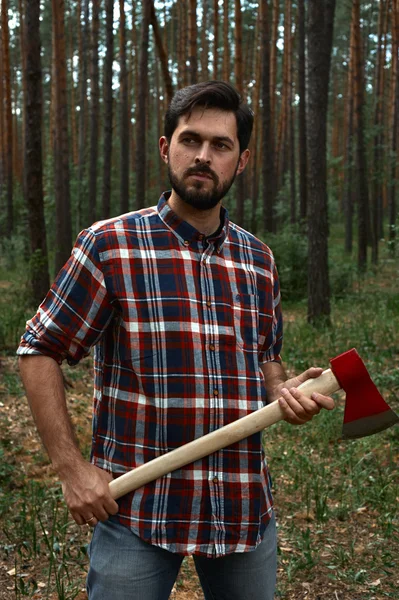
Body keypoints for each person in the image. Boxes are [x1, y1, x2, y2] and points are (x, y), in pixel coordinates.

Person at [18, 81, 334, 600]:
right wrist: (73, 470)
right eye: (191, 140)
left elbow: (266, 357)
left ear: (243, 160)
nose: (203, 157)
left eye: (221, 145)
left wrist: (282, 391)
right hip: (138, 508)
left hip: (241, 506)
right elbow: (39, 349)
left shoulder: (259, 261)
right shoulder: (111, 246)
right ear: (166, 147)